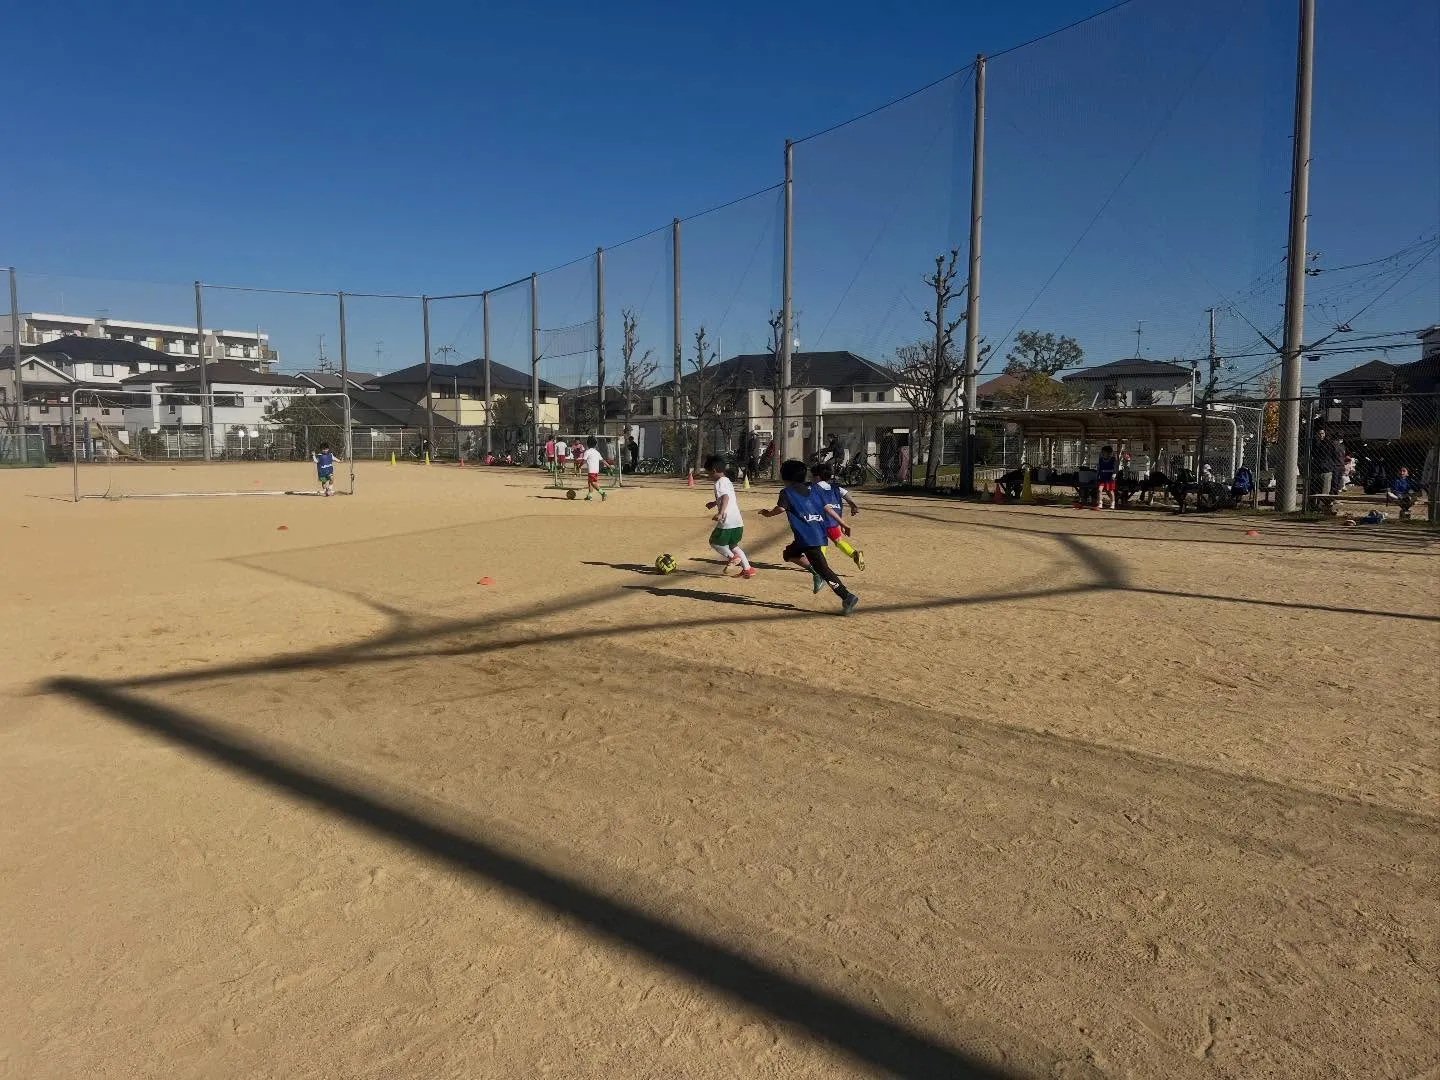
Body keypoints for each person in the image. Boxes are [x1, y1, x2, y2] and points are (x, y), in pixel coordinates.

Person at [760, 459, 859, 614]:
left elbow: (780, 508)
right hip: (814, 534)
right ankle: (814, 570)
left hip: (808, 538)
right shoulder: (814, 488)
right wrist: (843, 523)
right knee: (789, 553)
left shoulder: (786, 492)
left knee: (824, 570)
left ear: (785, 477)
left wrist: (767, 513)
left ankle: (847, 596)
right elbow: (826, 507)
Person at [704, 454, 755, 578]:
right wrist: (714, 503)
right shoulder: (727, 480)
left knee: (714, 542)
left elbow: (725, 497)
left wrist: (720, 513)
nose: (709, 476)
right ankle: (747, 569)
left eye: (709, 473)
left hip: (727, 520)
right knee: (733, 545)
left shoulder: (718, 483)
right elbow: (727, 496)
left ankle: (733, 558)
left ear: (714, 471)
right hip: (737, 521)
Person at [811, 462, 865, 570]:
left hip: (820, 520)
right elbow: (847, 496)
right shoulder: (835, 487)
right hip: (834, 521)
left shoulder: (814, 488)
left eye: (812, 476)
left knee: (820, 541)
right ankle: (854, 554)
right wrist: (853, 506)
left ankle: (821, 565)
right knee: (838, 541)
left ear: (817, 476)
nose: (811, 478)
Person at [581, 436, 609, 502]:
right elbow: (602, 460)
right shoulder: (597, 452)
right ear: (595, 444)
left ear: (587, 444)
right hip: (596, 470)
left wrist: (579, 466)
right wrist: (608, 466)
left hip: (591, 470)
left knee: (593, 483)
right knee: (590, 482)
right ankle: (589, 496)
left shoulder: (587, 452)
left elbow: (583, 461)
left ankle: (603, 493)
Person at [1095, 445, 1118, 510]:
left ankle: (1113, 503)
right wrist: (1097, 476)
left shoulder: (1113, 459)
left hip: (1110, 477)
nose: (1102, 454)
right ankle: (1100, 503)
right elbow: (1099, 469)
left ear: (1109, 453)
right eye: (1102, 452)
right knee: (1099, 490)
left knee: (1110, 491)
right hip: (1102, 477)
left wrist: (1114, 475)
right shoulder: (1100, 460)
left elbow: (1116, 469)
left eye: (1104, 452)